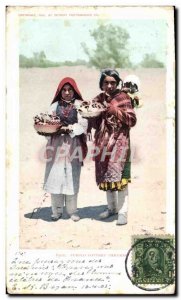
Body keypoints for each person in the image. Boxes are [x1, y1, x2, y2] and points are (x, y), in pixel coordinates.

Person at [89, 69, 137, 225]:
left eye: (112, 82)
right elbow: (94, 121)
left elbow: (132, 120)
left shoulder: (123, 98)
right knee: (107, 177)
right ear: (101, 84)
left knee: (121, 178)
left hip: (120, 144)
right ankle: (112, 208)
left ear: (117, 83)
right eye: (106, 82)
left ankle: (123, 212)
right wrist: (92, 116)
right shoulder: (99, 99)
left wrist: (114, 110)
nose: (109, 85)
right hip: (103, 143)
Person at [43, 77, 88, 221]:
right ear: (60, 91)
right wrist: (51, 130)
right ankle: (56, 211)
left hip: (73, 144)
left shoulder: (79, 105)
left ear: (74, 91)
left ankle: (72, 211)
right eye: (64, 90)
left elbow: (83, 125)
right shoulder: (54, 106)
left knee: (72, 176)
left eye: (70, 90)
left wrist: (70, 129)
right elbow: (47, 123)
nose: (67, 93)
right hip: (56, 145)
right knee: (55, 177)